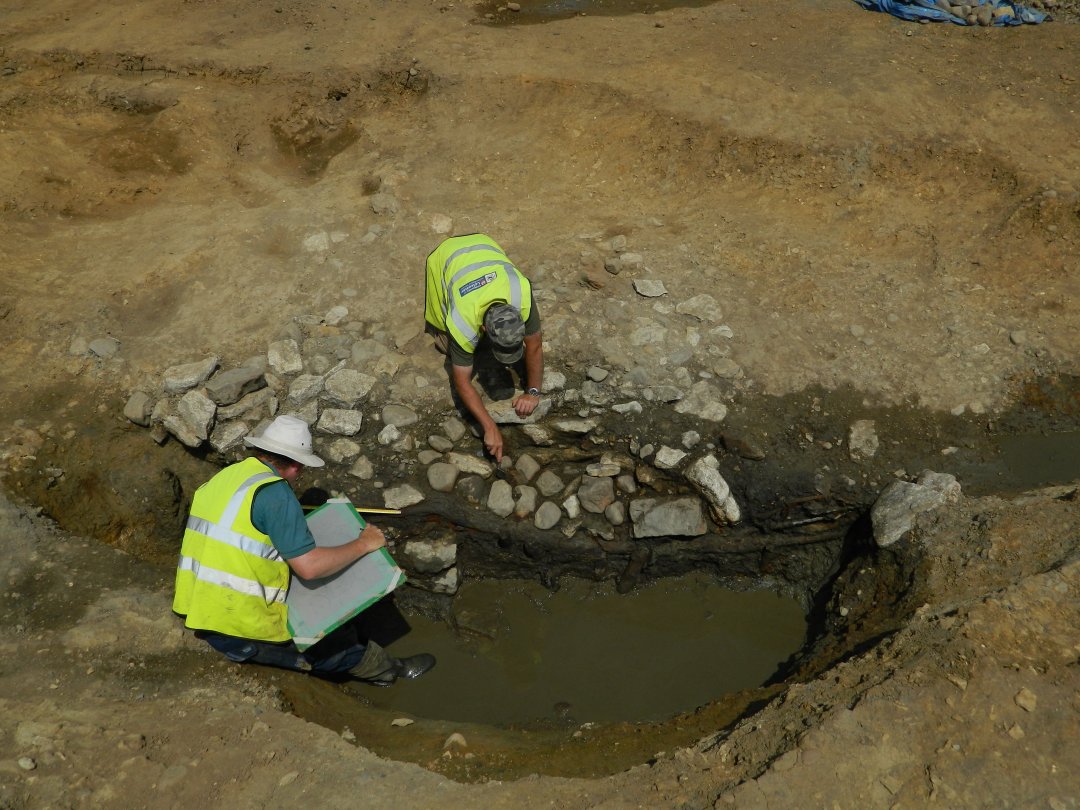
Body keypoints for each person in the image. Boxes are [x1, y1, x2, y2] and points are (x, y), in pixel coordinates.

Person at [172, 414, 435, 686]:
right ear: (297, 465)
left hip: (197, 608)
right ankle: (389, 671)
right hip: (238, 629)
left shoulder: (226, 477)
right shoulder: (276, 494)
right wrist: (364, 543)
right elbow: (309, 568)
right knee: (336, 647)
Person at [423, 233, 544, 462]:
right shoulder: (462, 321)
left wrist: (533, 392)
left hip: (483, 243)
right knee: (445, 345)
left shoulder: (520, 291)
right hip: (444, 255)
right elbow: (462, 381)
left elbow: (535, 345)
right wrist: (489, 426)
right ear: (484, 329)